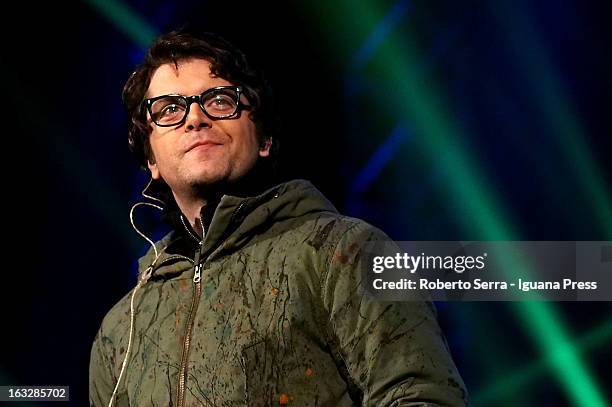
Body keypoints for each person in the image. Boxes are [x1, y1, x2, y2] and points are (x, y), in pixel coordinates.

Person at [89, 30, 467, 407]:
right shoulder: (121, 330)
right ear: (150, 159)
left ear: (264, 138)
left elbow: (422, 398)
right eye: (170, 109)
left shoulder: (346, 251)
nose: (195, 118)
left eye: (219, 100)